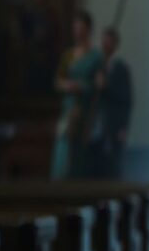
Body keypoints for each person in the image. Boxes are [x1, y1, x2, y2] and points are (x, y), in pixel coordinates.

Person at [51, 11, 104, 179]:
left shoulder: (96, 57)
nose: (78, 32)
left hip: (85, 110)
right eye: (76, 28)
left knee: (79, 155)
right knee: (63, 149)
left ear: (88, 30)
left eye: (82, 28)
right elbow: (58, 80)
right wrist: (67, 85)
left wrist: (82, 86)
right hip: (68, 109)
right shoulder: (68, 55)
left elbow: (98, 86)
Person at [89, 26, 133, 179]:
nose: (105, 46)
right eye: (104, 42)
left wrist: (123, 127)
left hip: (113, 125)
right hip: (96, 125)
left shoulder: (121, 69)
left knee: (112, 166)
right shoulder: (97, 66)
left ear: (115, 45)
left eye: (109, 43)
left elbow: (126, 100)